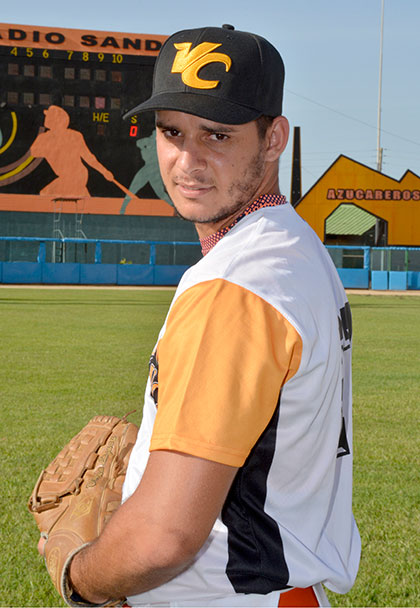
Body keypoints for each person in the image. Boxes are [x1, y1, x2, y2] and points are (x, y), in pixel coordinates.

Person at [39, 24, 361, 607]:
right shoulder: (291, 246)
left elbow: (167, 538)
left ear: (273, 138)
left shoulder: (236, 283)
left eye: (216, 133)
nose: (187, 160)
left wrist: (78, 574)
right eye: (171, 132)